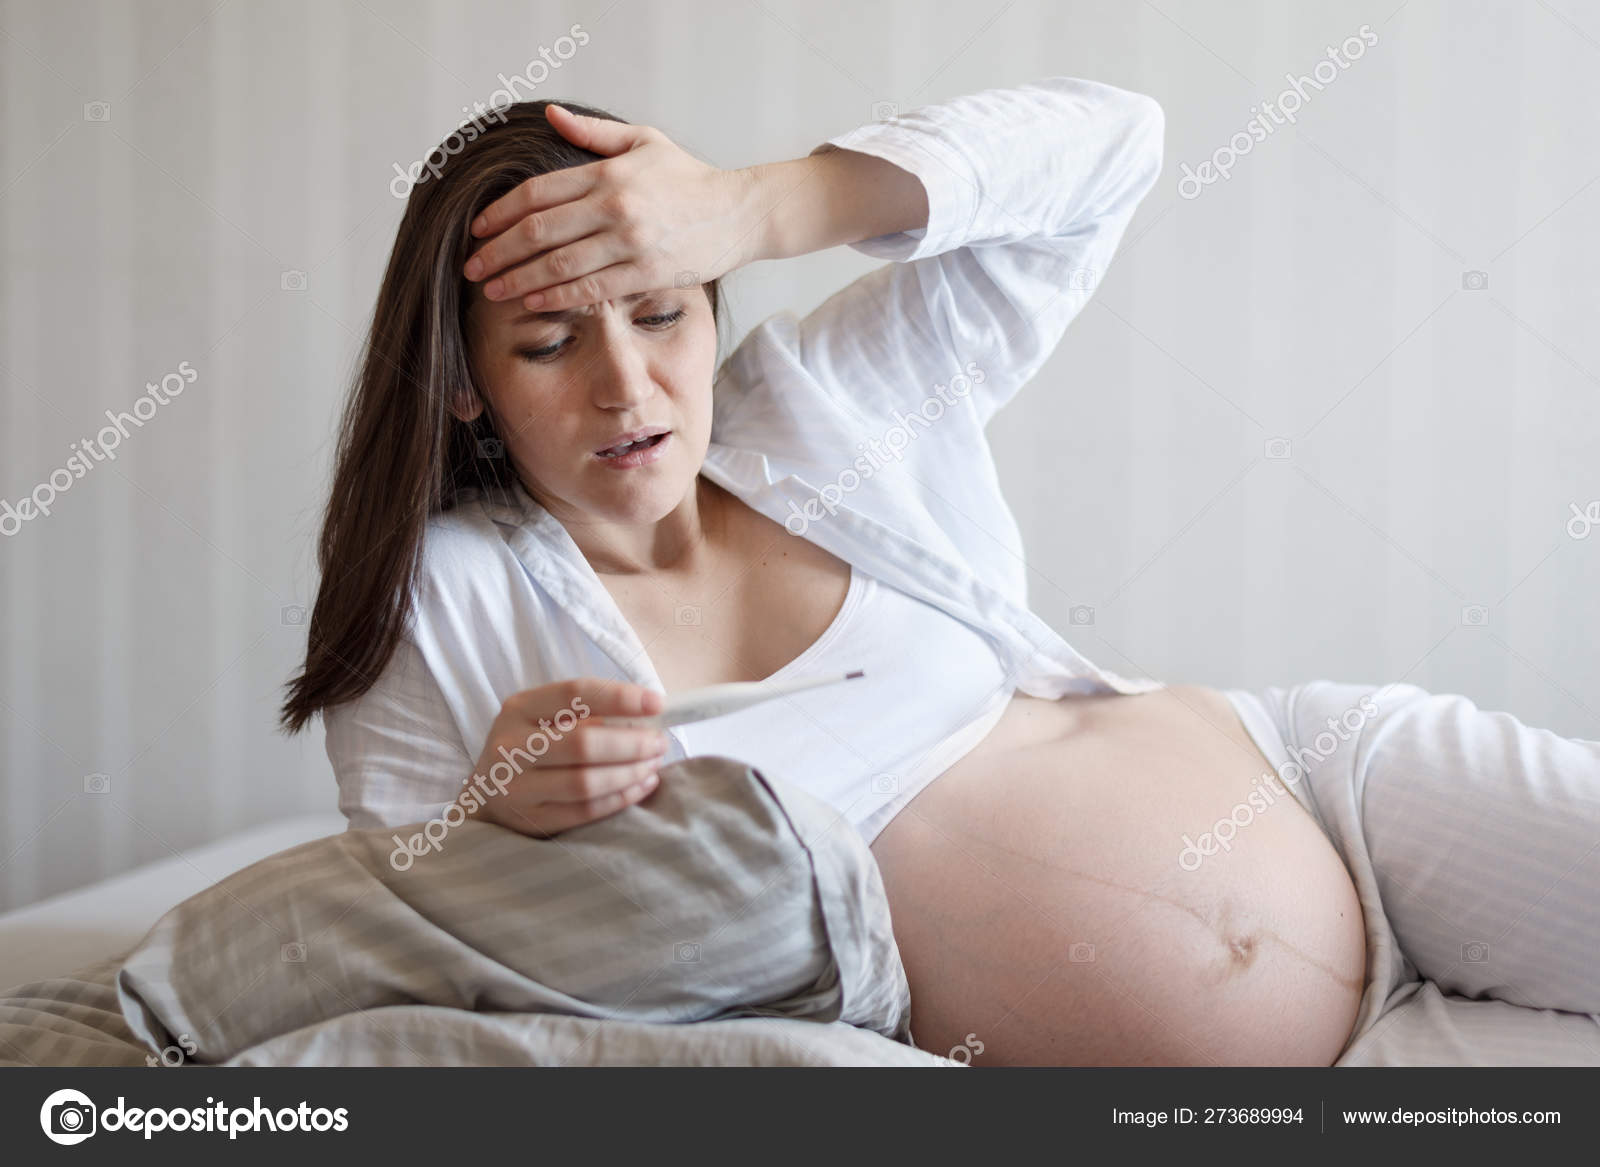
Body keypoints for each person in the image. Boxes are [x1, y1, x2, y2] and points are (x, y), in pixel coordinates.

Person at [280, 78, 1600, 1066]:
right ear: (460, 385)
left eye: (664, 308)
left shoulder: (820, 405)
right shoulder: (444, 600)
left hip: (1332, 790)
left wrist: (753, 203)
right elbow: (403, 942)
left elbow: (1110, 149)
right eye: (553, 342)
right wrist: (497, 810)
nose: (630, 386)